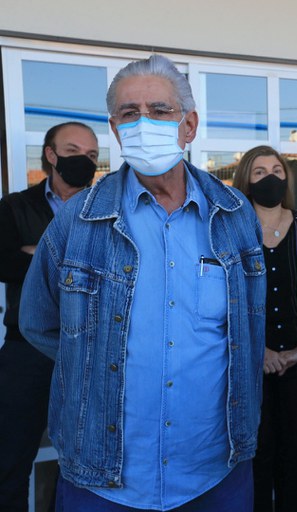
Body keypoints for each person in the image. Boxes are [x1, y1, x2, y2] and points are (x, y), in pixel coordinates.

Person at [19, 54, 266, 511]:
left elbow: (248, 326)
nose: (143, 123)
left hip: (215, 471)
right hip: (103, 478)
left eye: (160, 110)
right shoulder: (78, 219)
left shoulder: (235, 214)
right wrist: (94, 361)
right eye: (129, 113)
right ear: (115, 130)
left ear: (189, 126)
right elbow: (38, 321)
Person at [0, 122, 98, 511]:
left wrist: (38, 253)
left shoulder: (107, 208)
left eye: (92, 155)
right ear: (51, 155)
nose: (84, 161)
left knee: (87, 457)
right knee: (10, 458)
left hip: (90, 350)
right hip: (27, 350)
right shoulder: (15, 206)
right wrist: (72, 263)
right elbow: (3, 263)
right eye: (73, 151)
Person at [232, 145, 297, 512]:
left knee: (293, 455)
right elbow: (225, 295)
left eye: (276, 171)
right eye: (259, 172)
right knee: (256, 456)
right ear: (246, 180)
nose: (270, 178)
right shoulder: (233, 228)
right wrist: (257, 351)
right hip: (249, 364)